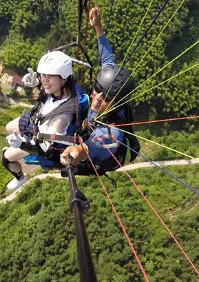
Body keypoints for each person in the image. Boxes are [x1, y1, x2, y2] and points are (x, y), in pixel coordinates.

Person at [60, 6, 140, 174]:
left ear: (116, 104)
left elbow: (86, 149)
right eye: (97, 88)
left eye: (106, 98)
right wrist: (97, 26)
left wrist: (77, 152)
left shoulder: (113, 133)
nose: (96, 96)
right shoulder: (109, 84)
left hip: (94, 155)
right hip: (89, 126)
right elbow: (107, 59)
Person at [2, 50, 86, 190]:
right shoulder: (61, 89)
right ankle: (19, 141)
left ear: (64, 78)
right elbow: (47, 88)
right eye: (43, 75)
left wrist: (23, 144)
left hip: (38, 138)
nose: (45, 80)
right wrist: (36, 84)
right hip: (38, 120)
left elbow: (46, 149)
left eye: (50, 76)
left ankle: (20, 178)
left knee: (6, 158)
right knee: (9, 127)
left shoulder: (61, 118)